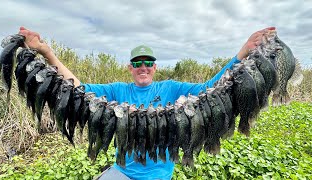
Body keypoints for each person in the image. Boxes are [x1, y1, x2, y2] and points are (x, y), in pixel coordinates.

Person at [19, 26, 276, 180]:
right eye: (138, 63)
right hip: (123, 173)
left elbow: (209, 88)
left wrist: (243, 52)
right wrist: (47, 53)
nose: (143, 67)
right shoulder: (116, 91)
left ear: (155, 67)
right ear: (130, 68)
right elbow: (78, 88)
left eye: (148, 63)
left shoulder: (173, 89)